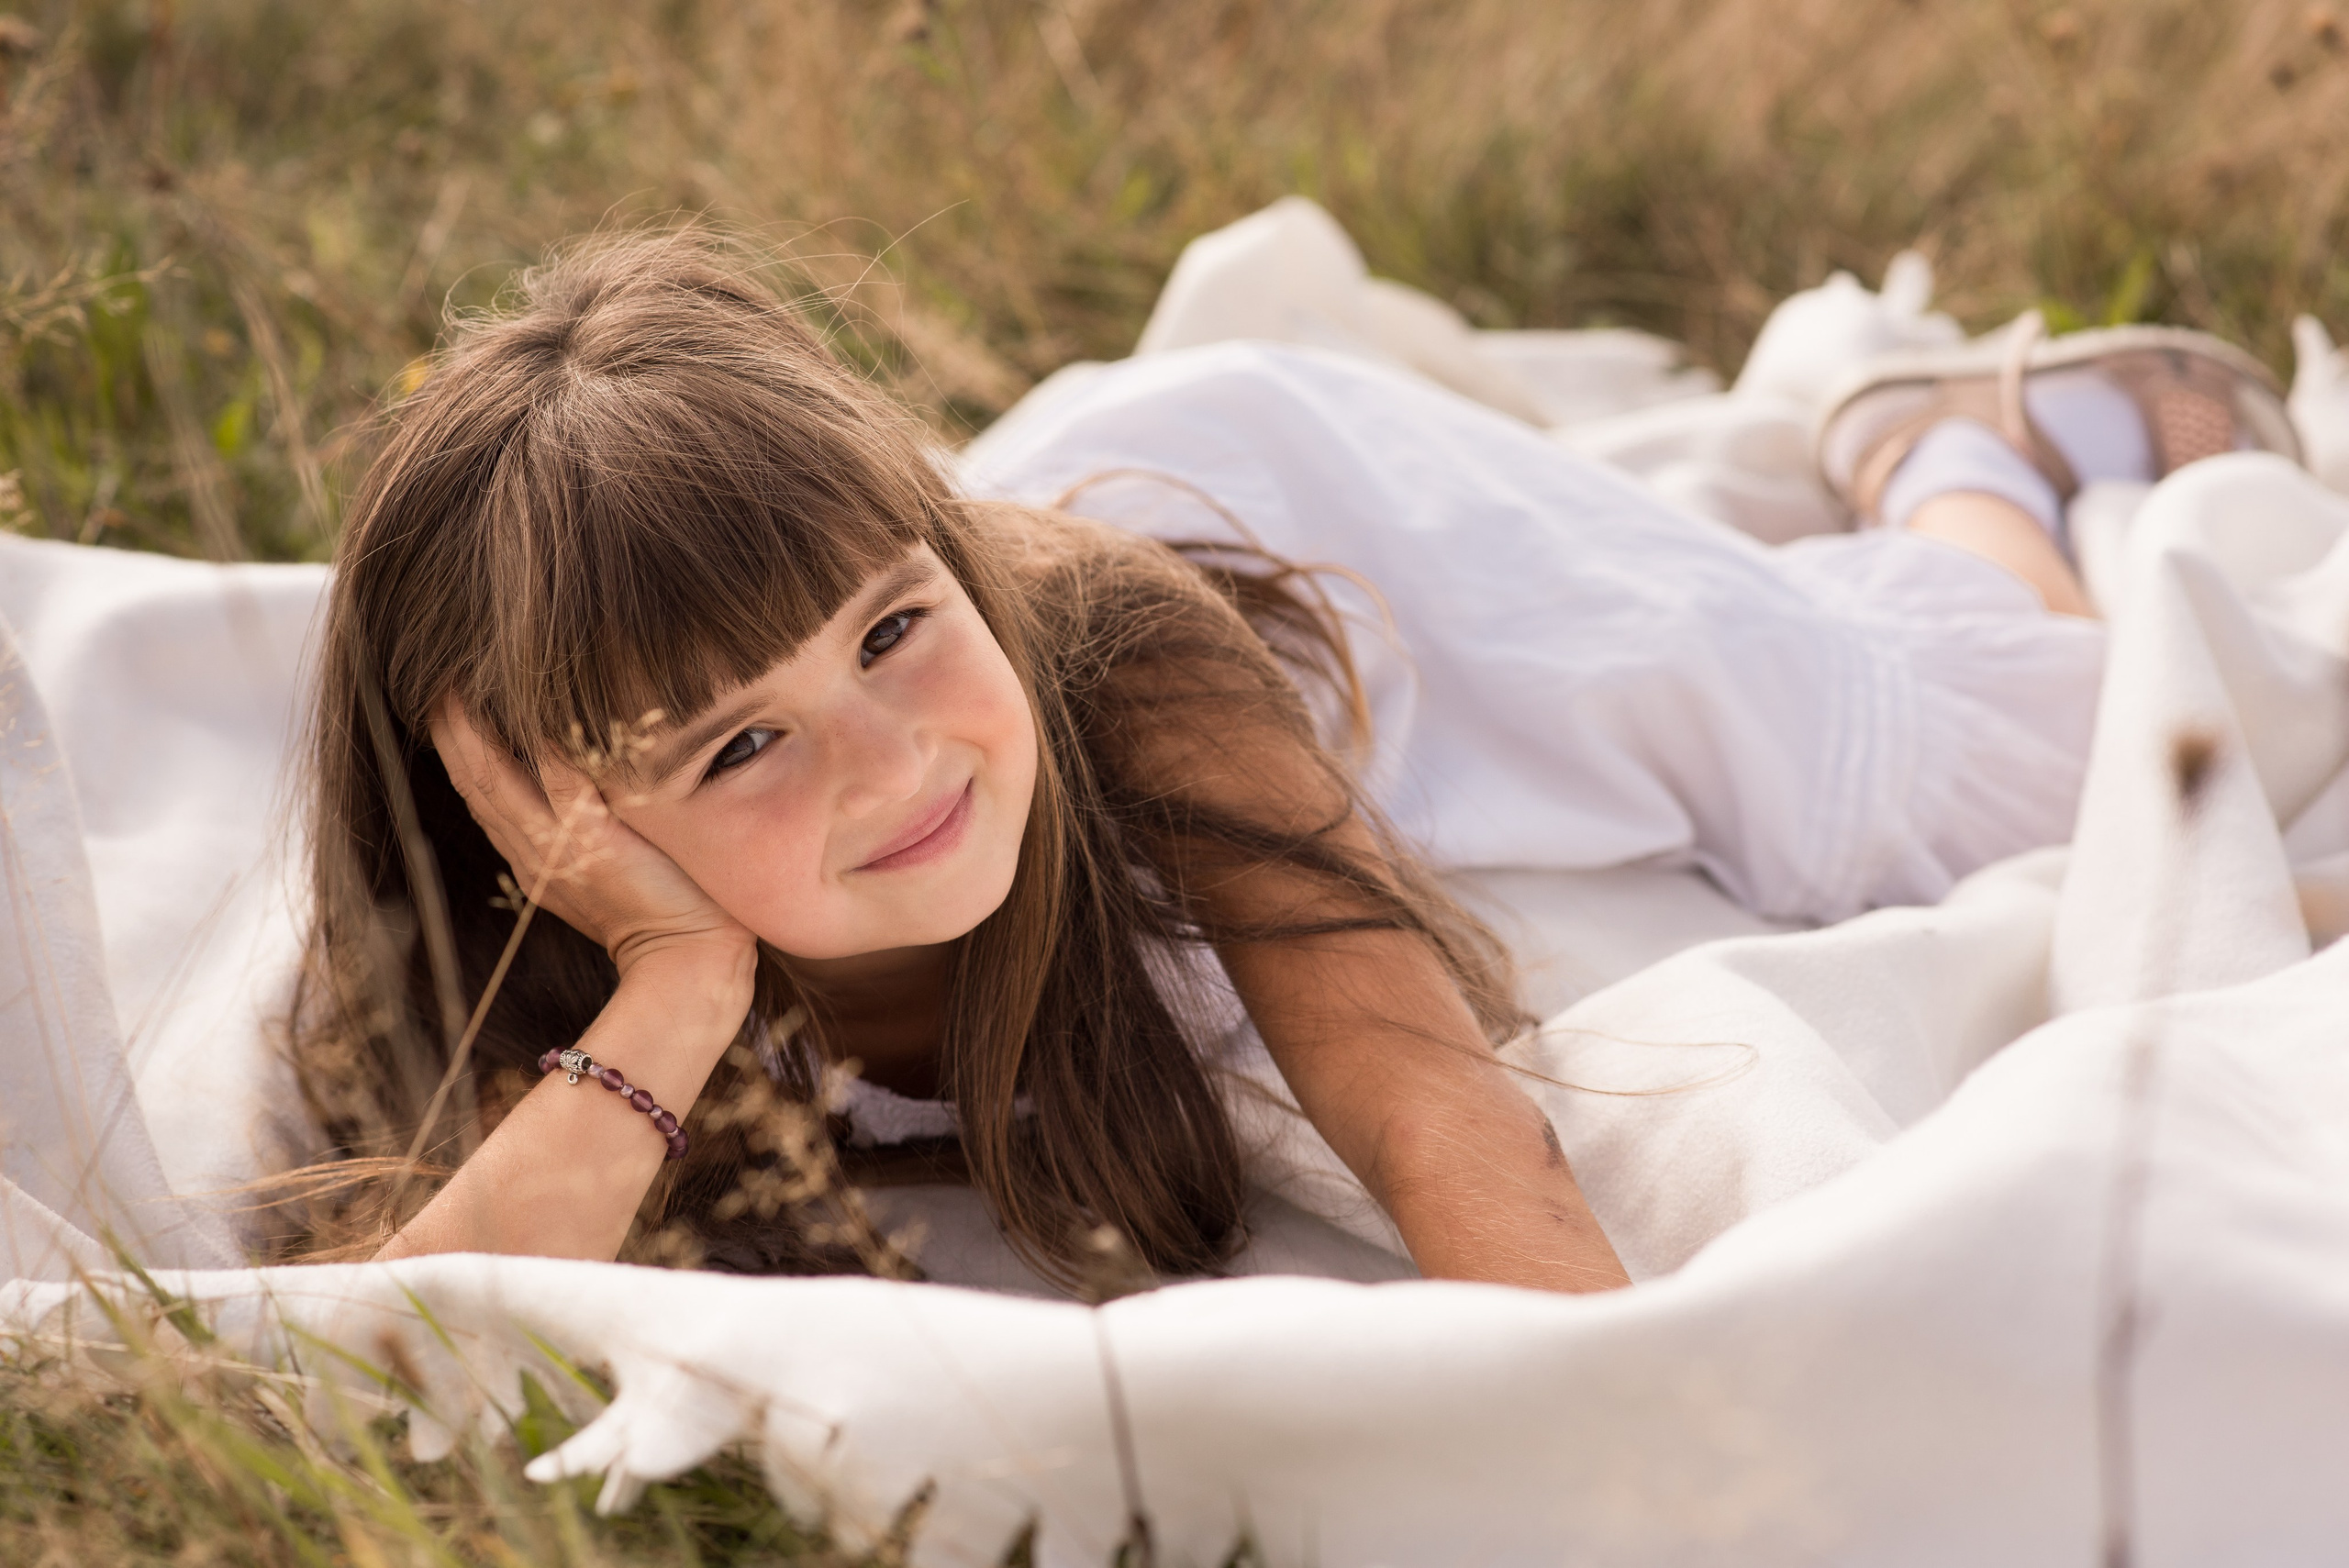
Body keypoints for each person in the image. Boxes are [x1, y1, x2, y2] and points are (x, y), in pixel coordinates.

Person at [294, 231, 2295, 1296]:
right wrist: (675, 982)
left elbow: (1430, 1108)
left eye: (893, 629)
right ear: (550, 824)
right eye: (740, 744)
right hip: (921, 609)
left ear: (942, 568)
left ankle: (1933, 442)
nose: (894, 760)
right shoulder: (527, 971)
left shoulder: (1106, 663)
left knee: (2028, 763)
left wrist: (1607, 1463)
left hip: (1305, 525)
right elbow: (400, 1360)